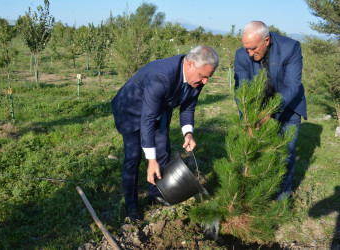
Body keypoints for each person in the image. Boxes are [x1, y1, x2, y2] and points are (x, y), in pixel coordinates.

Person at [112, 46, 219, 221]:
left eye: (209, 76)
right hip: (130, 109)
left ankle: (156, 193)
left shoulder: (197, 78)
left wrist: (188, 134)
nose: (206, 81)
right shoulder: (162, 77)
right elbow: (147, 118)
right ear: (190, 65)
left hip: (160, 108)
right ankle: (131, 206)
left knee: (163, 150)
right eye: (203, 76)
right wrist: (150, 160)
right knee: (134, 156)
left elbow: (188, 108)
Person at [234, 21, 307, 199]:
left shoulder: (290, 48)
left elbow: (292, 86)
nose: (250, 54)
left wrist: (271, 112)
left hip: (288, 107)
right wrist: (248, 119)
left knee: (285, 154)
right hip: (258, 109)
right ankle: (259, 196)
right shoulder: (242, 55)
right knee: (259, 153)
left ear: (266, 40)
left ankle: (281, 201)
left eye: (253, 48)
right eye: (246, 49)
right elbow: (241, 90)